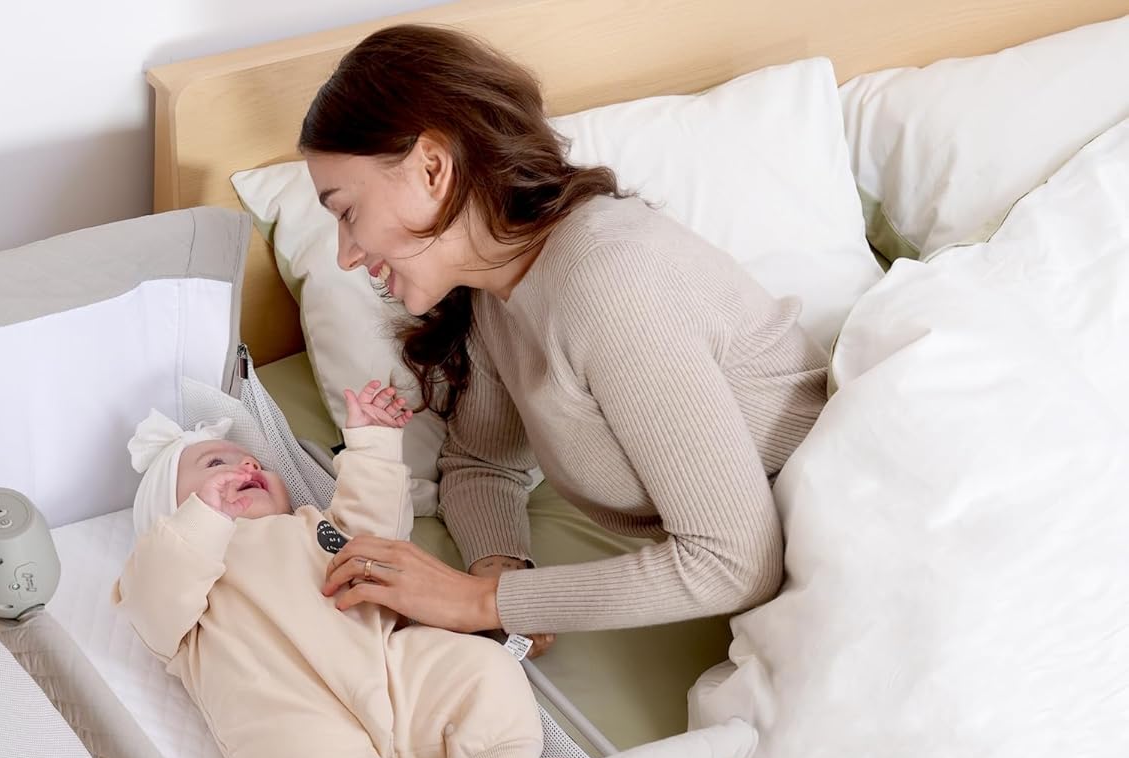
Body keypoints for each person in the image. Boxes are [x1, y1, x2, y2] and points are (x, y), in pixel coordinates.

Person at [300, 25, 828, 653]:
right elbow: (482, 463)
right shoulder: (499, 290)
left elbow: (736, 561)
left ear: (432, 168)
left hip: (848, 529)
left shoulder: (605, 279)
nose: (345, 255)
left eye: (347, 212)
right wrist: (499, 568)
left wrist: (478, 601)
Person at [114, 380, 566, 758]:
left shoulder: (313, 526)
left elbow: (378, 536)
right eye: (215, 463)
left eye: (254, 461)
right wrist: (201, 523)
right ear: (171, 518)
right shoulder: (187, 582)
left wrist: (373, 445)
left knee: (481, 668)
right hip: (293, 716)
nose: (248, 467)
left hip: (392, 674)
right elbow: (153, 596)